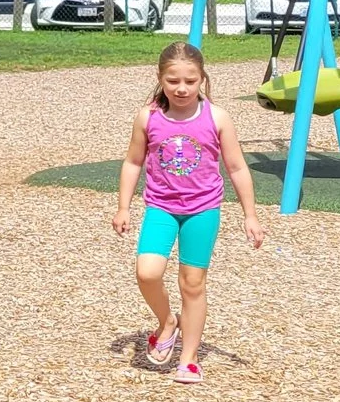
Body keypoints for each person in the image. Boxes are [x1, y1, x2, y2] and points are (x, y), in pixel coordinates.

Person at [111, 43, 267, 383]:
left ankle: (189, 357)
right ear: (161, 79)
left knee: (192, 283)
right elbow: (133, 161)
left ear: (202, 80)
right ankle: (167, 322)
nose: (181, 88)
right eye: (173, 81)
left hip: (203, 210)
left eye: (190, 81)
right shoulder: (148, 116)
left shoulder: (216, 117)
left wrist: (250, 215)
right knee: (148, 272)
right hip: (161, 207)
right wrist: (123, 206)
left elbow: (237, 167)